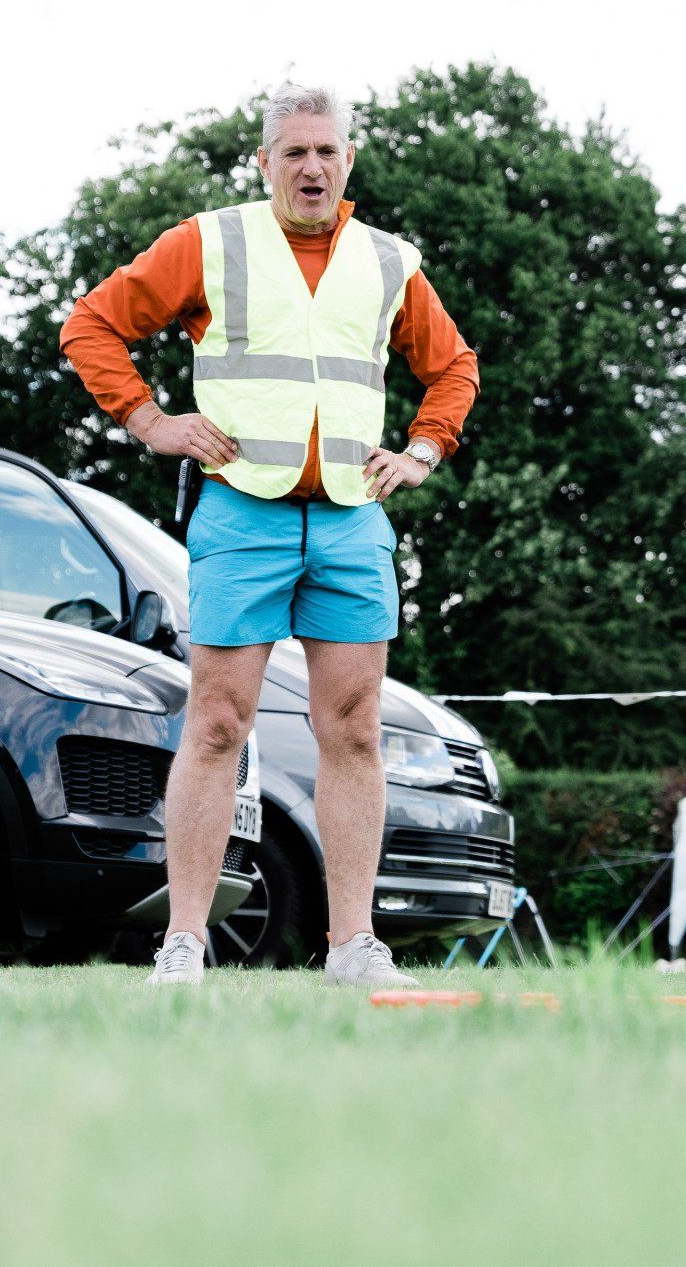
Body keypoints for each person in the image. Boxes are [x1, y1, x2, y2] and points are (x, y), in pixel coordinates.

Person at [60, 84, 478, 987]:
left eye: (326, 151)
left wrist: (424, 449)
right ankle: (183, 944)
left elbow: (452, 367)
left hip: (351, 518)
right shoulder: (210, 241)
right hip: (240, 510)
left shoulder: (388, 260)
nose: (312, 167)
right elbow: (91, 325)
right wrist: (149, 420)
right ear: (266, 162)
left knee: (355, 728)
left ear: (349, 161)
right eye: (294, 152)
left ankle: (354, 948)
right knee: (215, 724)